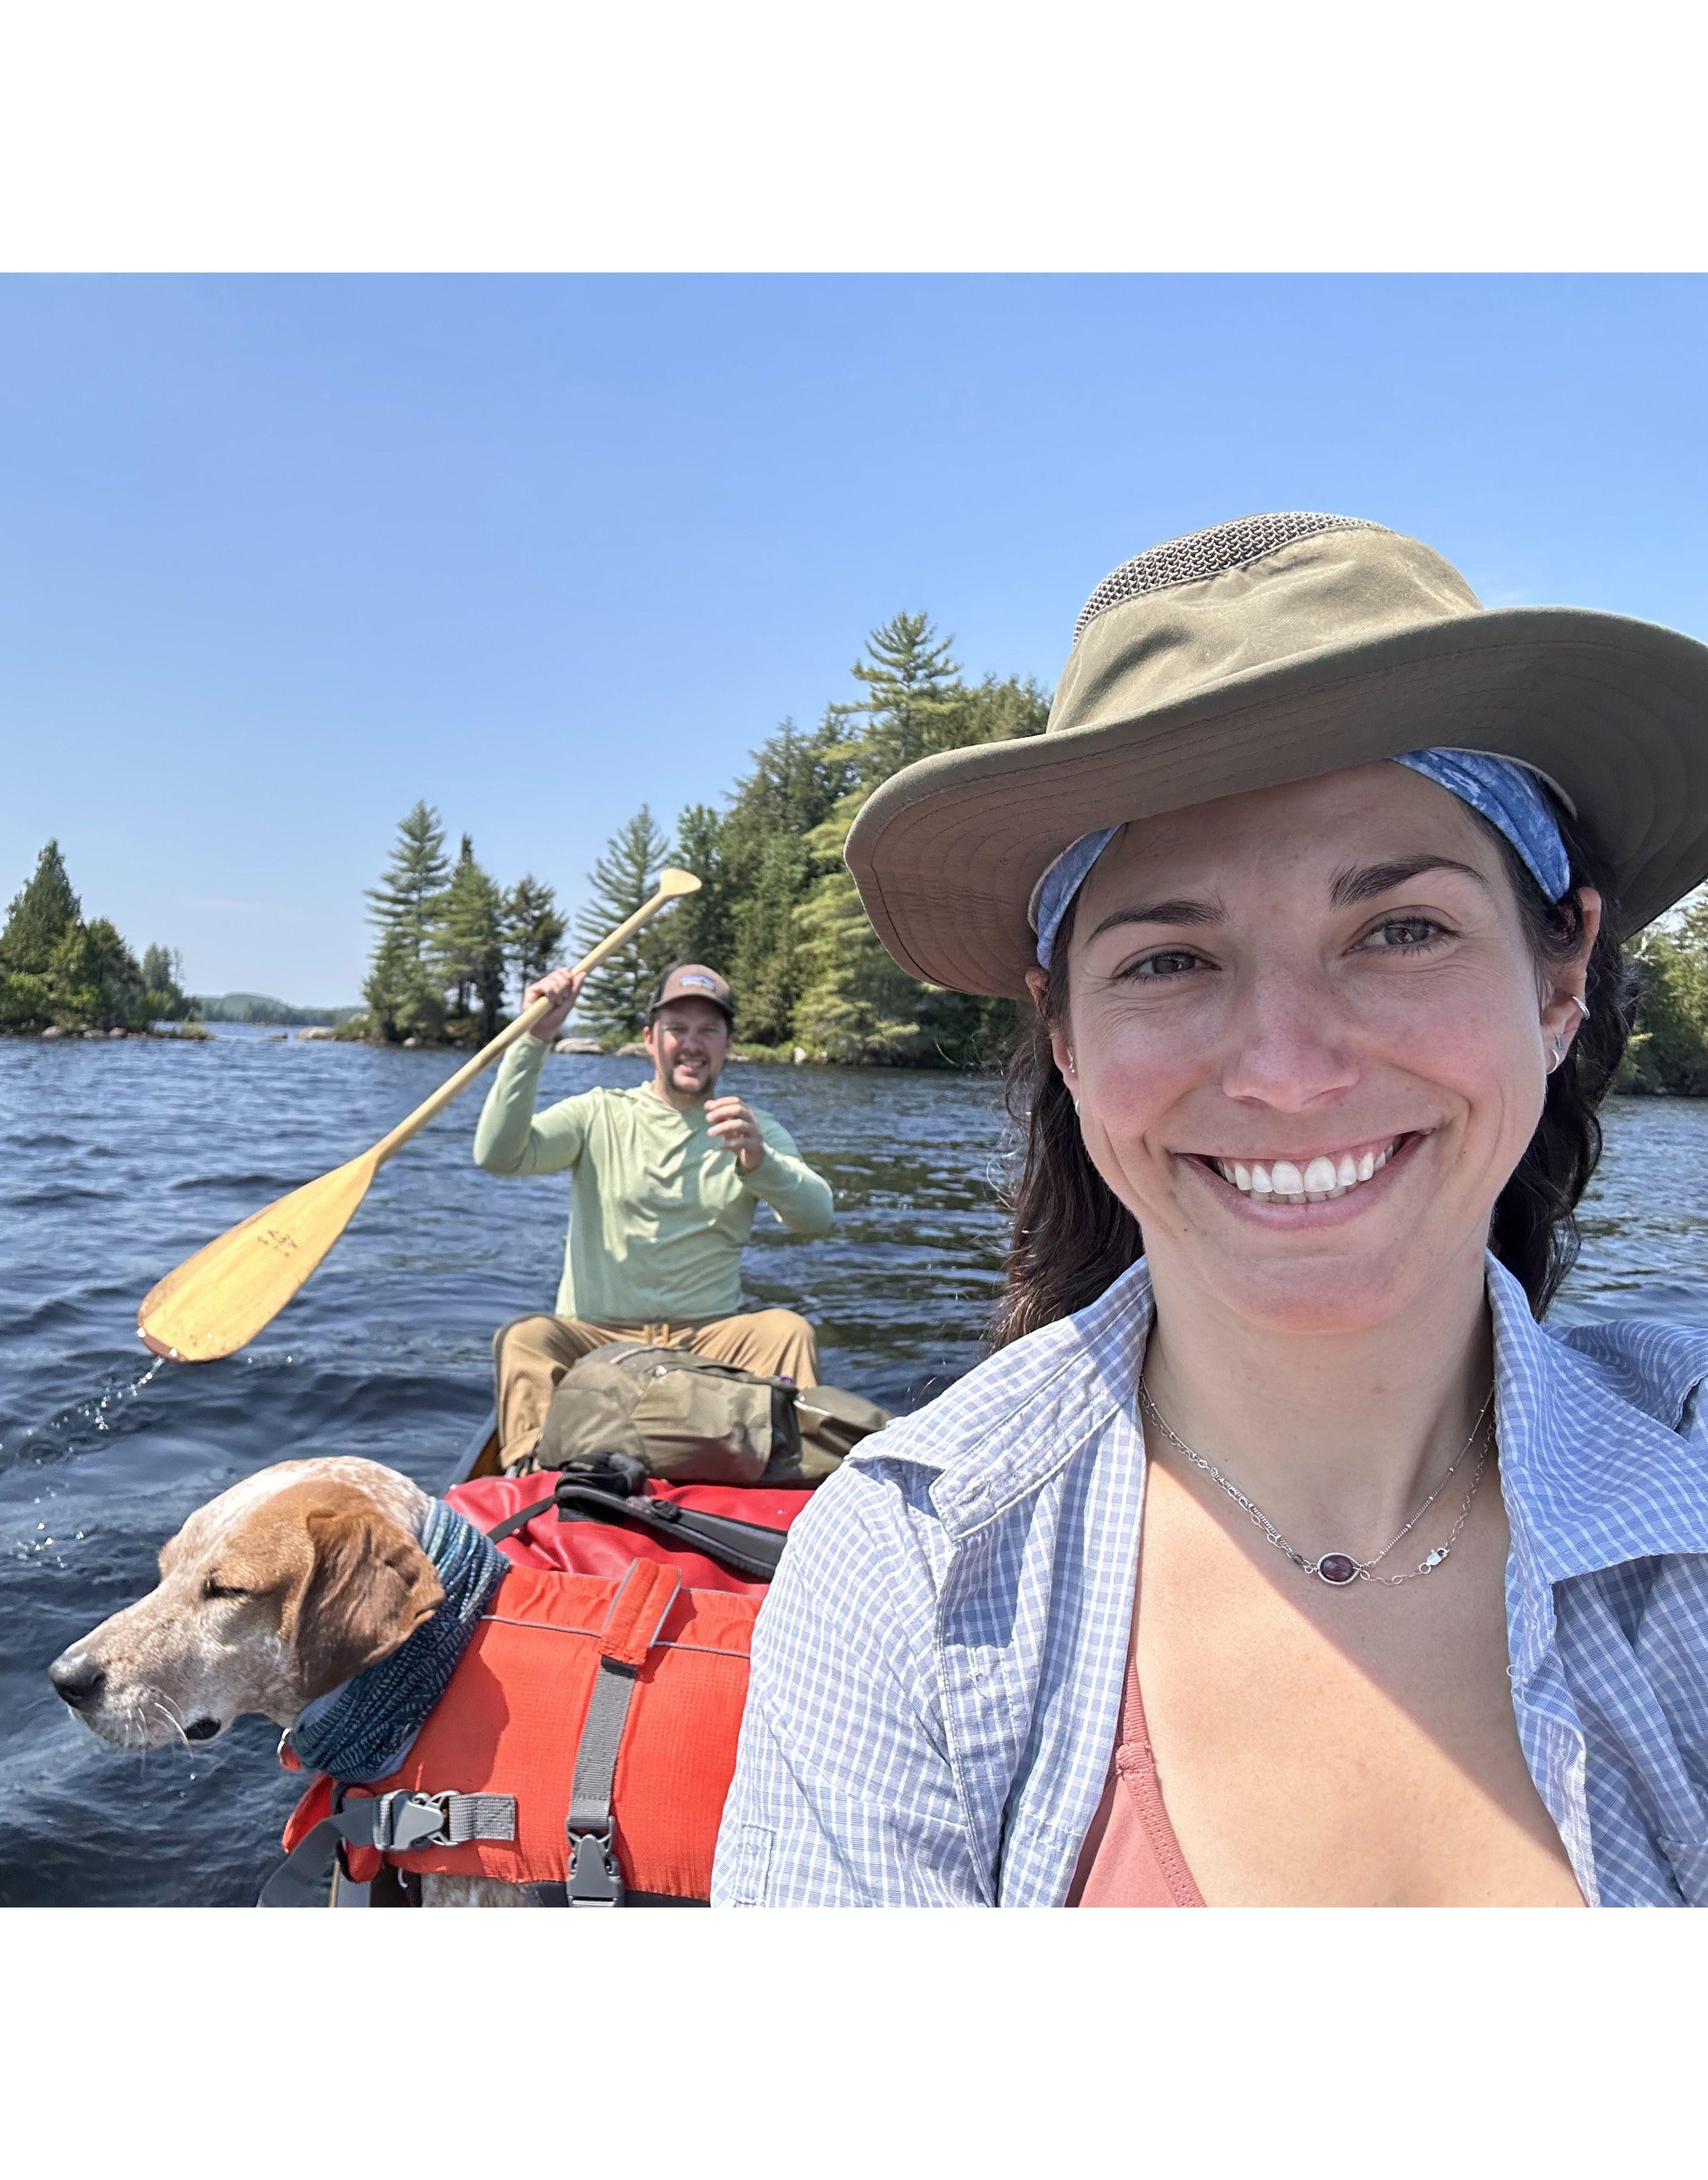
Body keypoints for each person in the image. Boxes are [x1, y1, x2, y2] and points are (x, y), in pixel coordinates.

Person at [715, 510, 1708, 1907]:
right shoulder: (907, 1593)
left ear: (1559, 980)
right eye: (1172, 960)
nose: (1290, 1072)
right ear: (1067, 1040)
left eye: (1402, 930)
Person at [473, 960, 835, 1465]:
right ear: (649, 1039)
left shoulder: (752, 1129)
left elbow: (816, 1218)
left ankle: (787, 1483)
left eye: (709, 1030)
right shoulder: (597, 1113)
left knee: (786, 1331)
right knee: (526, 1338)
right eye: (677, 1029)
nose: (693, 1043)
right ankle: (532, 1474)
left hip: (710, 1338)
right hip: (596, 1335)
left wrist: (761, 1161)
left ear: (728, 1044)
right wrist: (533, 1040)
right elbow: (498, 1154)